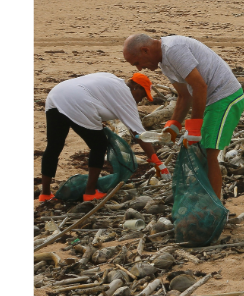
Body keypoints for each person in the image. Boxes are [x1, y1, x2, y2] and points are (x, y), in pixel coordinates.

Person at [123, 33, 244, 199]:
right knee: (201, 153)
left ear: (145, 50)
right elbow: (184, 95)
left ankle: (214, 205)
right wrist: (173, 126)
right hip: (212, 101)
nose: (139, 68)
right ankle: (207, 199)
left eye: (137, 62)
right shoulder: (164, 62)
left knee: (209, 154)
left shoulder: (173, 50)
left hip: (225, 97)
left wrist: (194, 129)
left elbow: (200, 87)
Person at [38, 72, 170, 203]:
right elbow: (139, 134)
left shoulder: (111, 78)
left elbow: (95, 95)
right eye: (143, 95)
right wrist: (157, 162)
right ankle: (90, 193)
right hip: (78, 101)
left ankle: (45, 194)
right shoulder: (126, 96)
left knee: (54, 146)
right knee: (99, 145)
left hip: (56, 95)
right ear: (136, 87)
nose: (142, 100)